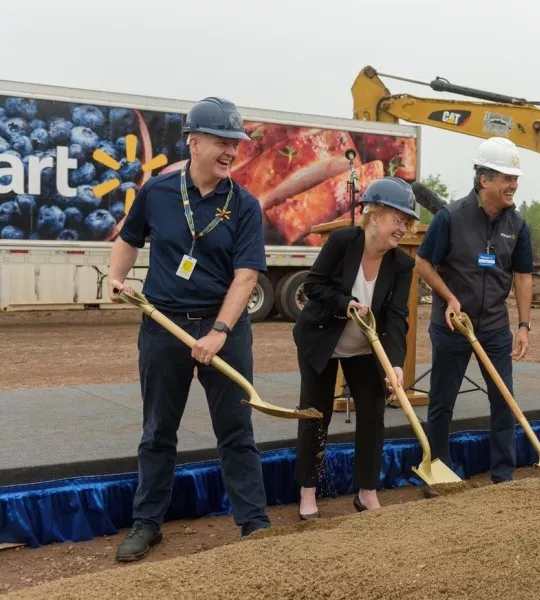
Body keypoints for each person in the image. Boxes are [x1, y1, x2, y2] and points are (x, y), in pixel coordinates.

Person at [107, 97, 270, 561]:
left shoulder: (244, 205)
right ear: (193, 142)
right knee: (158, 429)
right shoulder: (157, 192)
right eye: (221, 141)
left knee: (236, 429)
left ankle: (254, 523)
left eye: (234, 143)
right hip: (164, 327)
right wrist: (117, 277)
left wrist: (219, 330)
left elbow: (246, 276)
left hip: (225, 331)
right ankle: (147, 524)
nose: (230, 151)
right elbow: (128, 239)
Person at [292, 177, 418, 517]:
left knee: (373, 412)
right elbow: (313, 286)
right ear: (374, 216)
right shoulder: (342, 242)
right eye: (398, 219)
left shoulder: (402, 264)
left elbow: (396, 318)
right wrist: (345, 303)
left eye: (407, 222)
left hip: (364, 348)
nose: (403, 228)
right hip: (322, 339)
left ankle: (367, 492)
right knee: (316, 415)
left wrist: (395, 364)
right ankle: (308, 492)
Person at [415, 137, 534, 491]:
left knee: (503, 399)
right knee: (442, 402)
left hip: (495, 328)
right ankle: (438, 471)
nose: (513, 185)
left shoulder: (518, 224)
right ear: (485, 180)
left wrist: (524, 325)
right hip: (453, 326)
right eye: (506, 178)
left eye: (516, 178)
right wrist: (449, 297)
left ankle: (503, 474)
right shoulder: (449, 217)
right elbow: (423, 263)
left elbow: (523, 275)